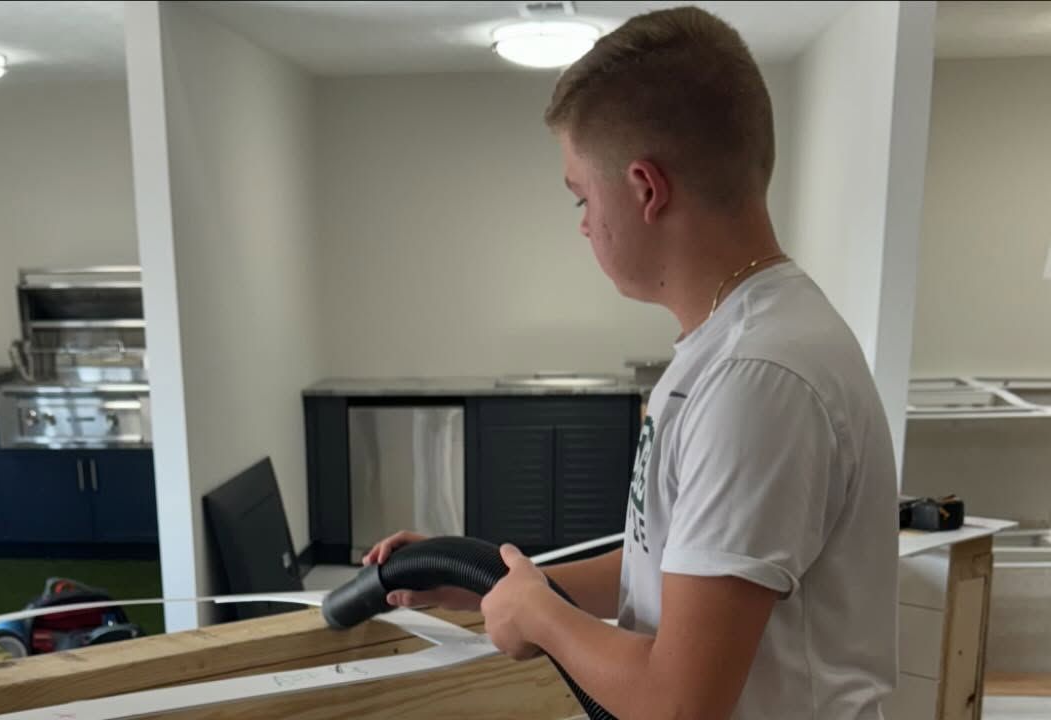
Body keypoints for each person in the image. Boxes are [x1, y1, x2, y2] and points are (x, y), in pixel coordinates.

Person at [363, 6, 898, 719]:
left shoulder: (755, 379)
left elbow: (679, 705)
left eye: (581, 197)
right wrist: (499, 583)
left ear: (646, 188)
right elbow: (675, 567)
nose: (584, 225)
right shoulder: (730, 345)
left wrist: (540, 618)